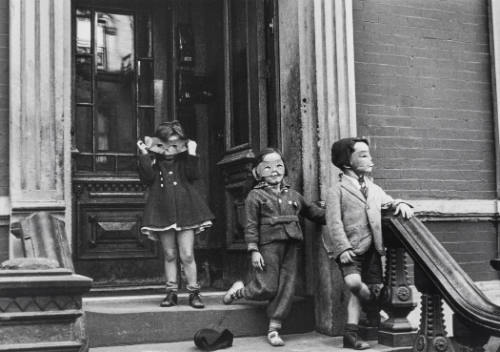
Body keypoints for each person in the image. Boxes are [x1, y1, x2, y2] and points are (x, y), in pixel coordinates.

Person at [223, 148, 326, 347]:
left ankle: (274, 328)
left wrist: (335, 211)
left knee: (287, 286)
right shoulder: (255, 196)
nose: (274, 170)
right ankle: (240, 291)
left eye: (278, 165)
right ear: (258, 172)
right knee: (268, 286)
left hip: (292, 245)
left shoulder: (294, 195)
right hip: (268, 246)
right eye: (268, 167)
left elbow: (314, 212)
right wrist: (254, 250)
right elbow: (251, 225)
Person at [322, 137, 413, 349]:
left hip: (373, 248)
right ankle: (370, 304)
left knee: (370, 288)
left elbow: (388, 201)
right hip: (350, 249)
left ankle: (350, 335)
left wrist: (401, 203)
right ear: (347, 162)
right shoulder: (337, 190)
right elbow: (333, 223)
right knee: (354, 284)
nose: (370, 159)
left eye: (369, 154)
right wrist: (342, 248)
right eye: (363, 155)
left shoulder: (373, 188)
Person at [137, 120, 214, 309]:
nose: (170, 149)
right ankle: (171, 292)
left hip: (186, 210)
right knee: (170, 253)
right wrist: (145, 154)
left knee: (187, 254)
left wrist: (192, 152)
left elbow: (193, 175)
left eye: (175, 144)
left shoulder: (184, 159)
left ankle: (193, 293)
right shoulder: (154, 161)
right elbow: (147, 178)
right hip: (162, 211)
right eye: (166, 144)